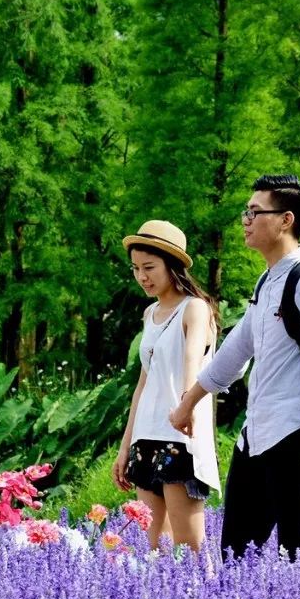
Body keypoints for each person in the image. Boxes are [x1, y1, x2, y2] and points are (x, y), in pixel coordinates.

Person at [169, 174, 300, 561]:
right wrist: (189, 401)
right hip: (256, 437)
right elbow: (236, 350)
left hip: (298, 435)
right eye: (245, 212)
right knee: (235, 556)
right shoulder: (267, 282)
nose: (246, 219)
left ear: (286, 220)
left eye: (255, 211)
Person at [113, 220, 222, 557]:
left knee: (189, 548)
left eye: (149, 267)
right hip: (146, 436)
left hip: (179, 436)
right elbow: (143, 385)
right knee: (151, 546)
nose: (142, 277)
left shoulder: (195, 308)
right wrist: (124, 446)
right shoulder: (150, 313)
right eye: (136, 269)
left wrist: (185, 408)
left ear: (172, 266)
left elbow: (192, 363)